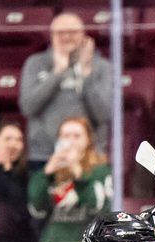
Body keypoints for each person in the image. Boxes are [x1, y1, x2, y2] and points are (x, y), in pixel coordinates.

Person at [18, 13, 113, 167]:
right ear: (51, 36)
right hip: (43, 156)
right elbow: (28, 107)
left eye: (72, 32)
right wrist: (57, 74)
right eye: (61, 32)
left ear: (84, 35)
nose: (67, 37)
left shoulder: (102, 67)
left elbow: (103, 114)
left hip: (90, 157)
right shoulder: (35, 63)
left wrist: (86, 75)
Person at [28, 116, 113, 242]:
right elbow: (37, 210)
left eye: (77, 136)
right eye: (65, 136)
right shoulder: (49, 173)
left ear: (88, 140)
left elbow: (98, 206)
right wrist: (46, 174)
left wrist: (78, 173)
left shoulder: (101, 171)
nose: (70, 141)